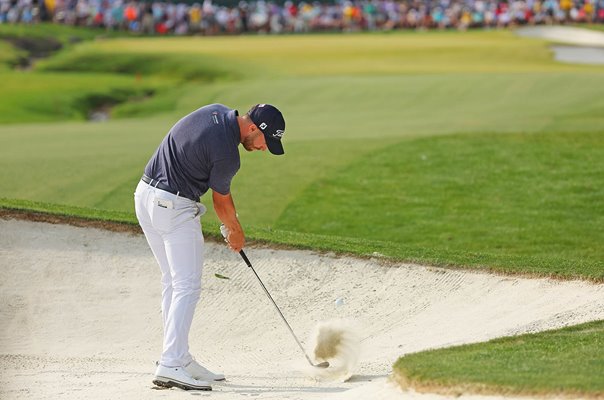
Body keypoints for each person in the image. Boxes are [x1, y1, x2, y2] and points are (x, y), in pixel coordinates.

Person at [134, 103, 286, 391]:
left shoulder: (214, 111)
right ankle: (170, 364)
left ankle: (178, 357)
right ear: (254, 129)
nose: (265, 149)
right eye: (267, 142)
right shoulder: (229, 154)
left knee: (172, 282)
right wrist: (236, 232)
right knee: (187, 286)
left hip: (145, 196)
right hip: (173, 206)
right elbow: (221, 202)